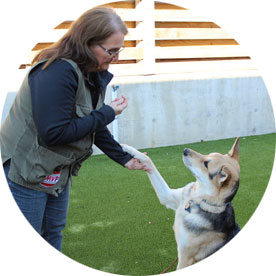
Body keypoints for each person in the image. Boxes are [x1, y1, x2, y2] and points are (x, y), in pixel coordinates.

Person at [0, 7, 150, 251]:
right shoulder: (56, 71)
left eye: (119, 50)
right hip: (23, 170)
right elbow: (54, 134)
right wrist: (109, 112)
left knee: (52, 234)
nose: (117, 58)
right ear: (88, 42)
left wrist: (123, 158)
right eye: (112, 51)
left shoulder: (91, 72)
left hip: (56, 170)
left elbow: (93, 124)